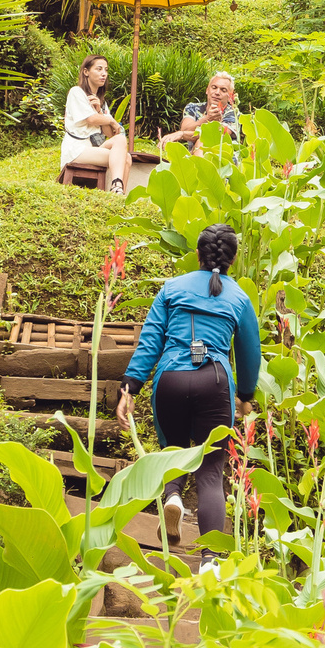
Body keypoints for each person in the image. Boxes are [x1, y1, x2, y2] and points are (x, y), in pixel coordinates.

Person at [117, 223, 259, 545]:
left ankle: (173, 497)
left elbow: (150, 341)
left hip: (171, 380)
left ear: (197, 254)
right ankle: (209, 560)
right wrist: (246, 395)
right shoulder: (239, 297)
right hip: (216, 382)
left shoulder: (171, 288)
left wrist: (129, 388)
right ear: (232, 260)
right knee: (210, 472)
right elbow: (250, 352)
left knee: (173, 450)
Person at [59, 53, 132, 192]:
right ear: (86, 72)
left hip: (94, 149)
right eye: (99, 69)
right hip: (77, 150)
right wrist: (110, 120)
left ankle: (118, 191)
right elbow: (90, 119)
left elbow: (110, 134)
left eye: (106, 70)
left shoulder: (101, 104)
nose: (104, 73)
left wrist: (100, 111)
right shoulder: (77, 92)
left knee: (122, 144)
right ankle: (117, 189)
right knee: (125, 157)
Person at [164, 71, 243, 149]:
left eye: (223, 90)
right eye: (214, 87)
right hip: (194, 154)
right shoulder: (192, 108)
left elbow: (216, 136)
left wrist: (182, 134)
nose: (217, 92)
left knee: (202, 142)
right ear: (207, 90)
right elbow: (185, 129)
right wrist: (207, 118)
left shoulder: (233, 113)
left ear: (230, 96)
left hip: (222, 157)